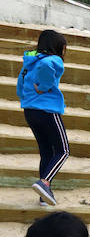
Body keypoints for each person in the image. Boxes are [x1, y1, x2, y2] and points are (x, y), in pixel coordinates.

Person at [16, 29, 70, 207]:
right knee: (63, 151)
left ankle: (43, 196)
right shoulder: (53, 60)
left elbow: (19, 85)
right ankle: (44, 183)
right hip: (47, 111)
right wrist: (45, 86)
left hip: (30, 111)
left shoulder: (29, 63)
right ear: (57, 47)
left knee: (47, 152)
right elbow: (48, 67)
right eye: (64, 48)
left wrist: (26, 98)